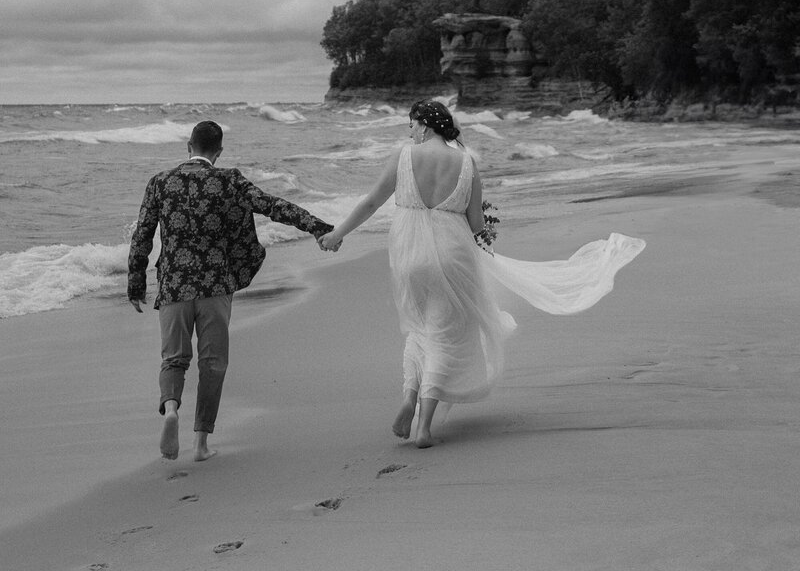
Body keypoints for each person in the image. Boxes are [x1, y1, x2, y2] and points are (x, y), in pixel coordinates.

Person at [320, 99, 645, 449]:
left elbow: (371, 202)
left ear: (425, 126)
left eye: (411, 125)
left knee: (419, 327)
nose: (410, 132)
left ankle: (408, 397)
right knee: (447, 332)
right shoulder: (467, 163)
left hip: (409, 255)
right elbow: (475, 223)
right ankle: (424, 425)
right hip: (454, 254)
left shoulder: (403, 156)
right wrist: (483, 232)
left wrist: (337, 234)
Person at [128, 120, 334, 462]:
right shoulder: (229, 180)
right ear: (219, 152)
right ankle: (201, 444)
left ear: (188, 147)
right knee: (212, 363)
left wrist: (136, 283)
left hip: (174, 286)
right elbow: (273, 206)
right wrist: (320, 228)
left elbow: (143, 235)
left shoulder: (160, 182)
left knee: (174, 359)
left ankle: (171, 409)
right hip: (215, 286)